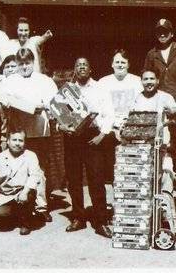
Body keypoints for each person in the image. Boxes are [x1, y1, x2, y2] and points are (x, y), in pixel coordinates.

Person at [0, 48, 57, 223]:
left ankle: (41, 206)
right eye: (21, 64)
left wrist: (42, 105)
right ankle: (21, 207)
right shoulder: (10, 80)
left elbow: (53, 102)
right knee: (18, 169)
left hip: (39, 130)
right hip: (18, 132)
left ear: (33, 63)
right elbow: (1, 99)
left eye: (27, 63)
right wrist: (6, 103)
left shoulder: (44, 80)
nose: (24, 67)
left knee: (39, 170)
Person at [58, 57, 114, 238]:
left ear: (90, 70)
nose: (81, 67)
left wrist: (102, 135)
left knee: (97, 179)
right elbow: (59, 114)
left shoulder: (99, 88)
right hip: (72, 138)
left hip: (92, 137)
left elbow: (109, 113)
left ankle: (101, 221)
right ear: (74, 69)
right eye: (78, 65)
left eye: (85, 65)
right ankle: (78, 218)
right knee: (74, 180)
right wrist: (61, 126)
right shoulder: (67, 90)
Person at [143, 18, 176, 180]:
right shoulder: (152, 54)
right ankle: (171, 168)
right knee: (166, 134)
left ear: (171, 34)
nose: (162, 35)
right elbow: (147, 75)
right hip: (162, 100)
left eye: (165, 32)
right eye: (159, 32)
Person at [97, 49, 143, 187]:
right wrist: (106, 128)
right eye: (117, 62)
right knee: (112, 169)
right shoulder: (103, 82)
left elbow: (141, 105)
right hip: (110, 132)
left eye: (123, 62)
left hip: (131, 131)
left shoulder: (137, 81)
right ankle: (115, 202)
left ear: (128, 64)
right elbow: (98, 108)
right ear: (112, 64)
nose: (120, 65)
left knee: (131, 168)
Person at [131, 69, 176, 194]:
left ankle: (164, 206)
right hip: (142, 146)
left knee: (166, 174)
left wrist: (173, 111)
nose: (149, 82)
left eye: (152, 79)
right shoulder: (137, 98)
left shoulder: (165, 97)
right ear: (141, 81)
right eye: (145, 79)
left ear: (157, 81)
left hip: (162, 146)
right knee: (145, 178)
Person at [0, 128, 42, 236]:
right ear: (7, 141)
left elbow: (34, 176)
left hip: (24, 192)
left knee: (27, 197)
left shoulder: (30, 155)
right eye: (14, 140)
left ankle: (25, 222)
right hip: (6, 194)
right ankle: (15, 216)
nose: (17, 143)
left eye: (20, 140)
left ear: (25, 142)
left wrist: (25, 192)